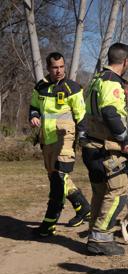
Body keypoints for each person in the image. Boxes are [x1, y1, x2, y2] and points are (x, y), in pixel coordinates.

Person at [82, 43, 128, 256]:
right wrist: (125, 139)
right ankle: (101, 237)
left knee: (100, 192)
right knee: (119, 191)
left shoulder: (96, 79)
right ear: (125, 62)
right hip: (104, 148)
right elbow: (110, 112)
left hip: (91, 146)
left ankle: (94, 236)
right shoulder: (111, 81)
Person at [29, 52, 91, 237]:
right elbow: (33, 107)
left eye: (62, 66)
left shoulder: (72, 88)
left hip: (65, 138)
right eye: (55, 67)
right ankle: (84, 209)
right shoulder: (40, 87)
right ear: (48, 68)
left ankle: (48, 224)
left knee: (58, 178)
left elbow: (81, 114)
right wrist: (33, 116)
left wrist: (83, 137)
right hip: (46, 139)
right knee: (56, 177)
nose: (59, 70)